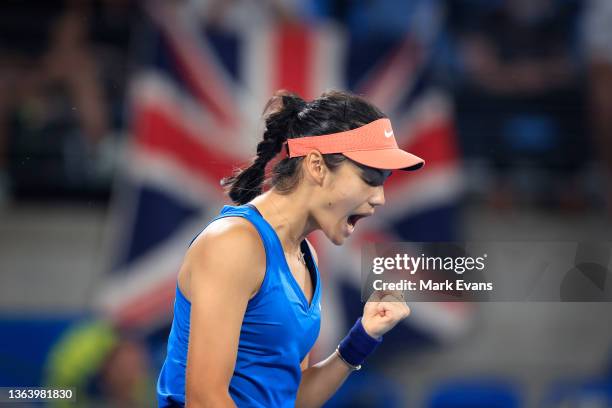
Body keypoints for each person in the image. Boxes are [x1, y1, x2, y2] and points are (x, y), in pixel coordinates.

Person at [156, 89, 425, 407]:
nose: (380, 197)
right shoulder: (233, 245)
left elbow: (288, 399)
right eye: (370, 177)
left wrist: (360, 340)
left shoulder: (304, 256)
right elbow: (205, 399)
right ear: (317, 166)